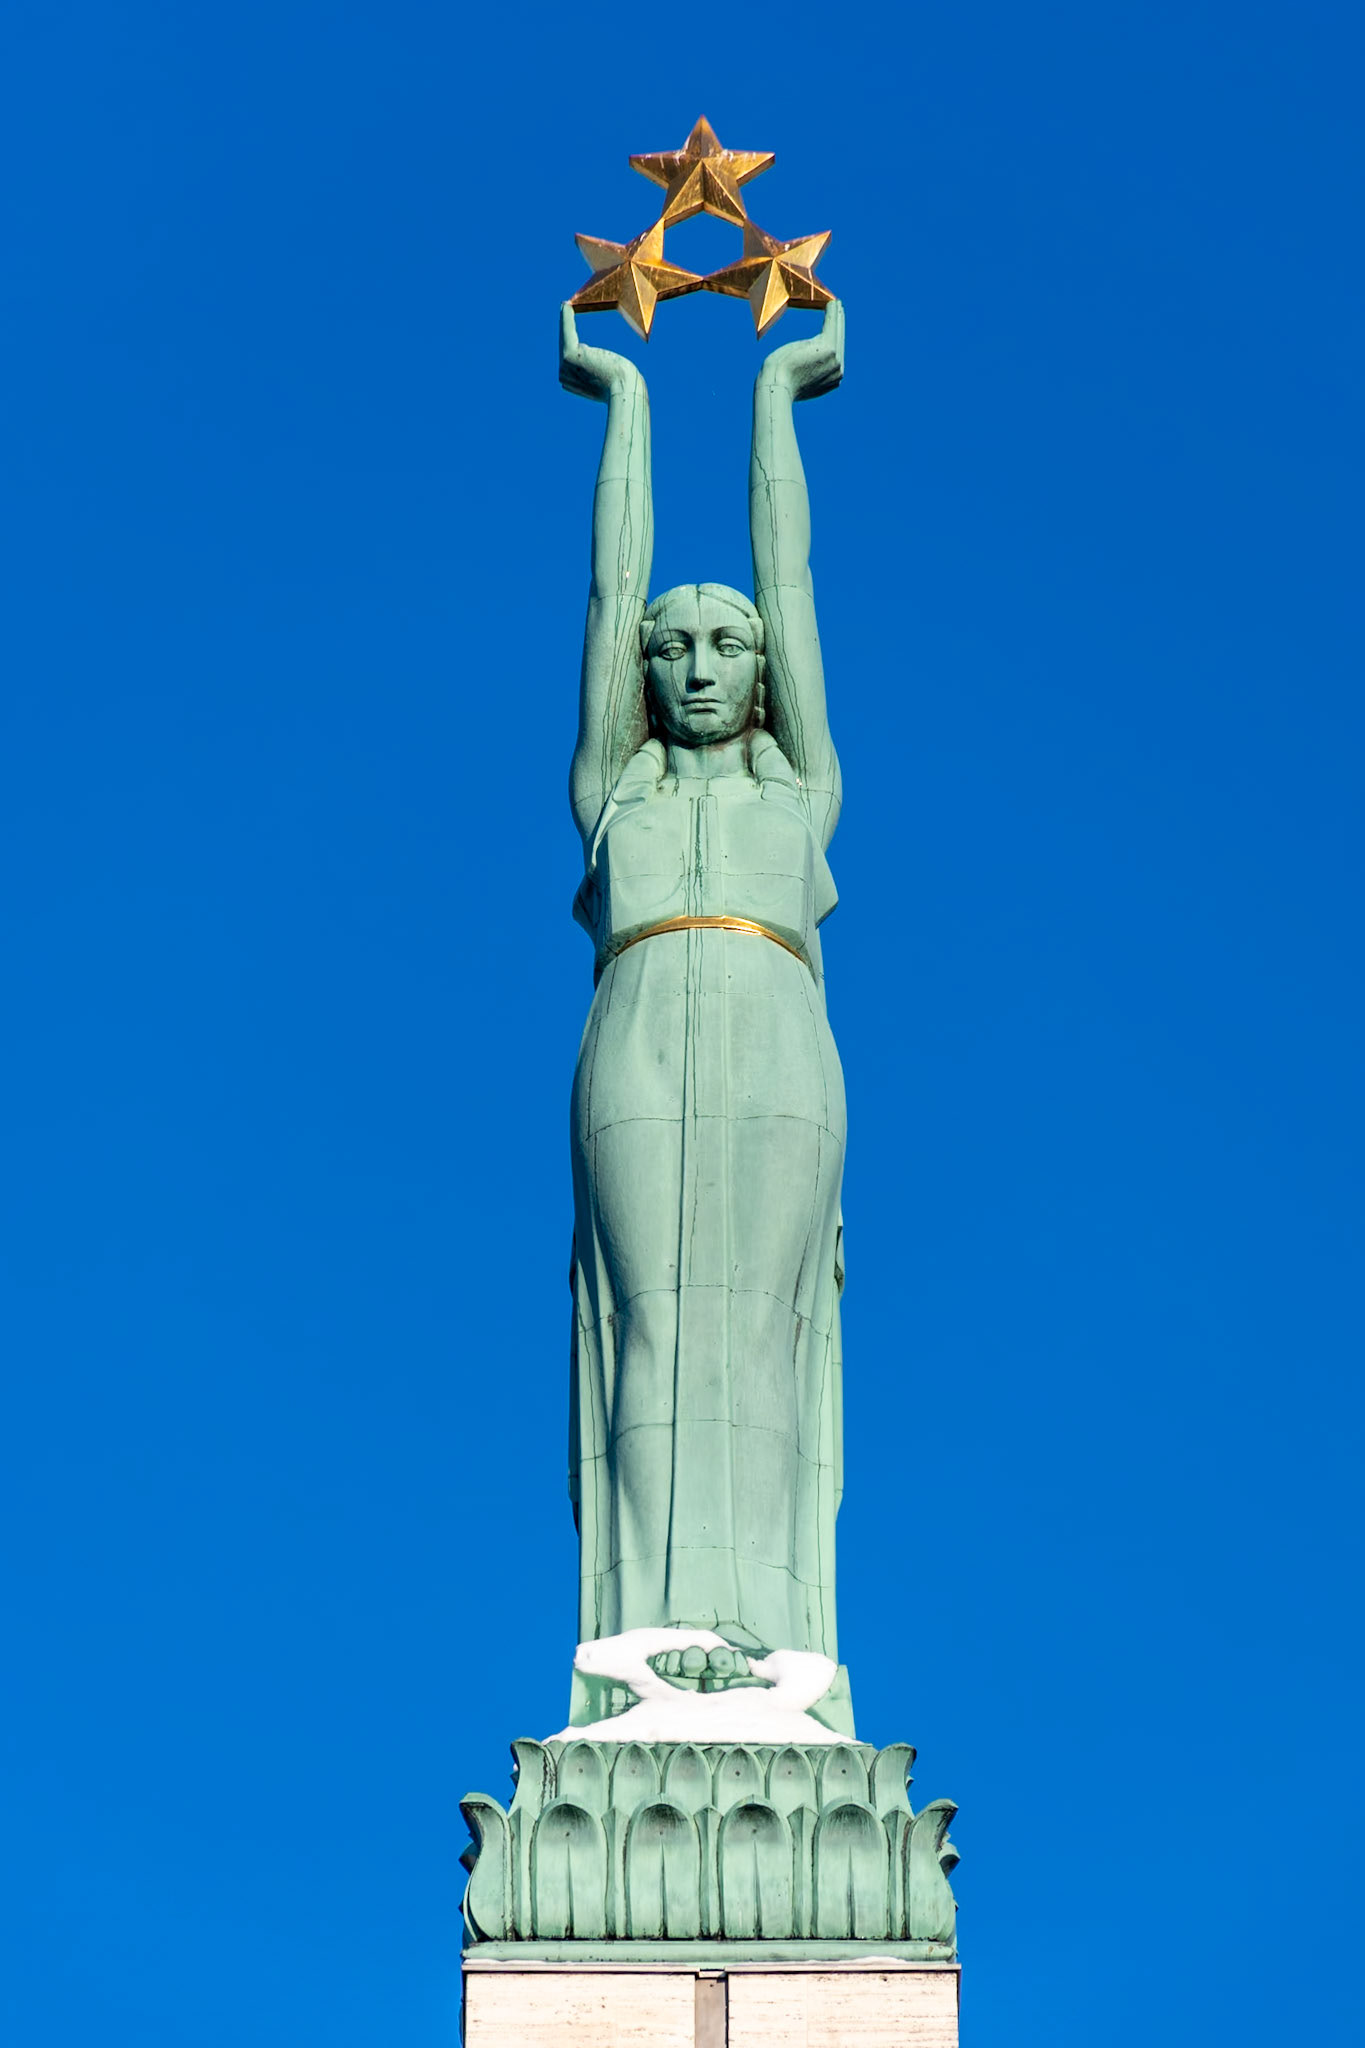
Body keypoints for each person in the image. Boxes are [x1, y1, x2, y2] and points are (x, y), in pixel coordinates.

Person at [562, 299, 852, 1730]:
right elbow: (608, 594)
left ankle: (767, 1636)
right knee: (648, 1328)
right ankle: (641, 1634)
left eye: (720, 647)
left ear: (756, 676)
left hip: (773, 1024)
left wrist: (774, 402)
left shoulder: (799, 795)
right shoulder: (610, 795)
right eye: (671, 650)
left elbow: (789, 579)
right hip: (638, 1025)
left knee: (759, 1327)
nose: (689, 665)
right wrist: (620, 400)